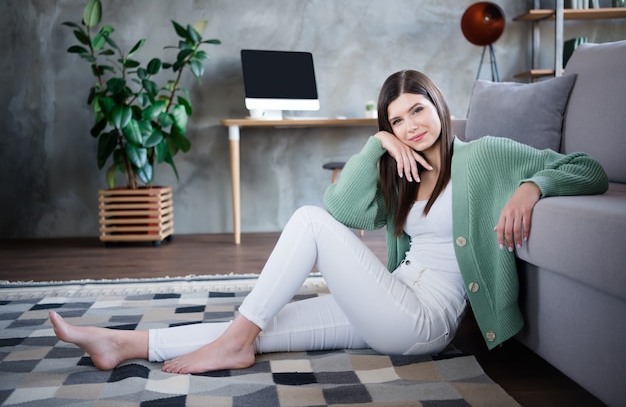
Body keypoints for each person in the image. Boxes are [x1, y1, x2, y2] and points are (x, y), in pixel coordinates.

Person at [49, 70, 608, 375]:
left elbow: (588, 169)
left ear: (438, 103)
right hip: (389, 297)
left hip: (424, 321)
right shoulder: (404, 172)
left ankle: (231, 343)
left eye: (417, 108)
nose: (411, 125)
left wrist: (534, 186)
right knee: (270, 321)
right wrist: (378, 145)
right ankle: (123, 344)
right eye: (396, 119)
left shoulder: (486, 156)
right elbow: (345, 213)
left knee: (306, 221)